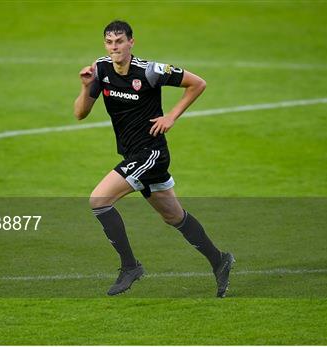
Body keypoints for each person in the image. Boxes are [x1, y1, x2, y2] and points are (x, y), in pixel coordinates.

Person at [73, 20, 234, 297]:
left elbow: (197, 83)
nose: (115, 47)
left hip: (151, 154)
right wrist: (86, 87)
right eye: (110, 42)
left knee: (99, 200)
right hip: (133, 153)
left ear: (131, 42)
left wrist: (171, 116)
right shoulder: (100, 68)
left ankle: (130, 267)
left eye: (120, 42)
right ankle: (220, 260)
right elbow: (80, 113)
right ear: (105, 45)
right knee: (173, 216)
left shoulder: (150, 71)